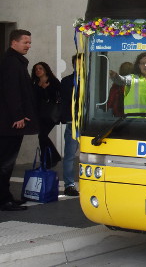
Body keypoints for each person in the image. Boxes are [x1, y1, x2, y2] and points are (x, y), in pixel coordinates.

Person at [0, 29, 38, 211]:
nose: (28, 46)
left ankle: (6, 197)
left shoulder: (16, 62)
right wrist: (17, 116)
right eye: (25, 42)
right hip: (9, 124)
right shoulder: (11, 63)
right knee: (5, 162)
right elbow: (12, 92)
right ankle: (3, 200)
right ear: (13, 43)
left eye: (30, 43)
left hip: (12, 122)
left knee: (8, 162)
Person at [32, 61, 62, 168]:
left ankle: (52, 159)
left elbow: (57, 97)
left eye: (40, 68)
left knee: (42, 136)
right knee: (42, 137)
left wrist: (45, 89)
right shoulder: (35, 83)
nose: (38, 71)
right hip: (39, 115)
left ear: (45, 69)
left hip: (50, 115)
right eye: (36, 69)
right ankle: (47, 161)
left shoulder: (53, 81)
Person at [59, 55, 80, 196]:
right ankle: (69, 185)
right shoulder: (67, 81)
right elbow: (65, 101)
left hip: (89, 124)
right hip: (73, 123)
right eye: (77, 63)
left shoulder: (93, 78)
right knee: (70, 156)